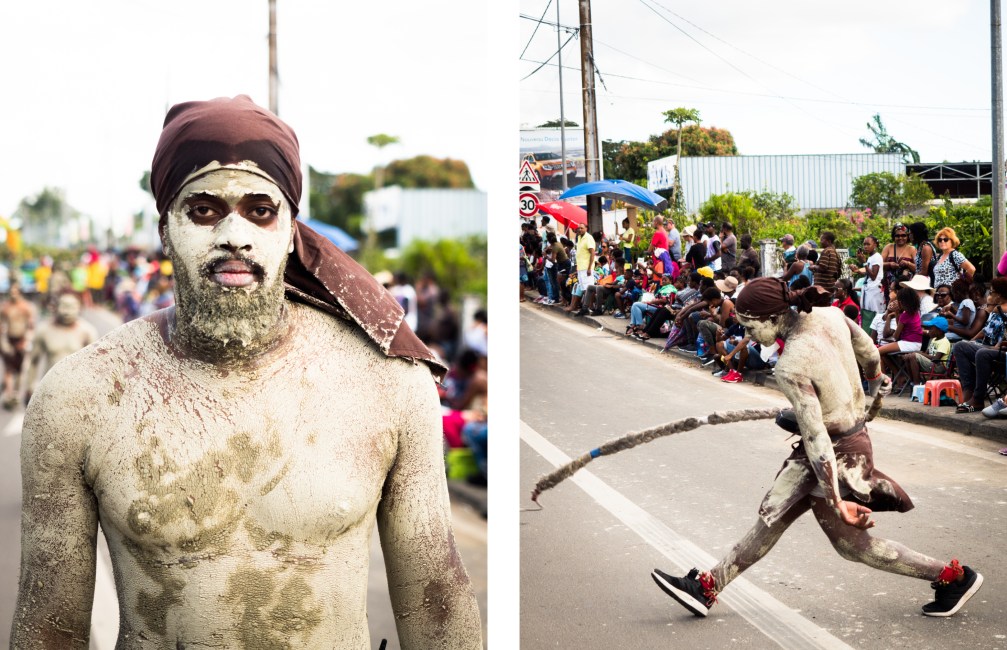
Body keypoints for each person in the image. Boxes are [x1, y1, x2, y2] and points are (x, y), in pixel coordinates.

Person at [11, 95, 481, 648]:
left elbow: (436, 604)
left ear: (289, 230)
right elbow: (49, 629)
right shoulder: (80, 398)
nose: (235, 235)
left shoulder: (387, 385)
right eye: (205, 210)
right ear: (165, 230)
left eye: (260, 210)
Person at [652, 277, 983, 619]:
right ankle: (708, 586)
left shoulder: (791, 363)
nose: (747, 333)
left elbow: (816, 436)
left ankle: (954, 576)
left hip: (835, 453)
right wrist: (870, 386)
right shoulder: (829, 315)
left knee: (850, 545)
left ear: (769, 318)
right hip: (851, 437)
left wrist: (837, 499)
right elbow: (870, 353)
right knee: (779, 520)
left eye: (749, 325)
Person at [22, 293, 97, 406]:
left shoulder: (87, 332)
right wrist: (29, 387)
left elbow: (95, 365)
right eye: (64, 306)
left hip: (76, 391)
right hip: (49, 388)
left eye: (71, 307)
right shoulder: (44, 330)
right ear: (56, 307)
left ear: (79, 308)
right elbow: (33, 361)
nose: (67, 312)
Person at [951, 277, 1007, 414]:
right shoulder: (995, 310)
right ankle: (968, 392)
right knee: (959, 346)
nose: (989, 295)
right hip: (989, 348)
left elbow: (1004, 337)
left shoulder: (1002, 311)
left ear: (999, 296)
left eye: (992, 293)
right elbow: (984, 331)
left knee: (981, 353)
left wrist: (996, 346)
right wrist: (971, 342)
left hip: (1001, 351)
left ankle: (978, 398)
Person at [0, 285, 37, 409]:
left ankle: (16, 393)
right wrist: (3, 342)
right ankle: (10, 394)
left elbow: (31, 326)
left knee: (20, 369)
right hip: (9, 339)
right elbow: (1, 325)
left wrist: (28, 340)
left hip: (21, 339)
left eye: (15, 292)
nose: (13, 295)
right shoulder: (5, 307)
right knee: (9, 369)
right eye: (11, 292)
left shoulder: (26, 307)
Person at [905, 315, 952, 388]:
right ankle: (913, 381)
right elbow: (926, 353)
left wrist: (919, 354)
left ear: (939, 330)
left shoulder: (944, 342)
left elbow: (936, 359)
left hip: (938, 367)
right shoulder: (933, 340)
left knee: (913, 356)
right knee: (908, 356)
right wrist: (920, 353)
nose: (928, 331)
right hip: (931, 364)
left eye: (931, 329)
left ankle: (917, 384)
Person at [854, 235, 884, 335]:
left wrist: (864, 263)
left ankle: (873, 338)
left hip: (874, 292)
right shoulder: (871, 257)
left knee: (873, 316)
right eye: (864, 244)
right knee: (866, 315)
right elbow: (868, 273)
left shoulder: (877, 257)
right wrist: (857, 271)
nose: (865, 246)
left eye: (868, 244)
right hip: (868, 291)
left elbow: (873, 276)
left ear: (875, 245)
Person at [881, 223, 917, 302]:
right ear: (894, 237)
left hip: (905, 287)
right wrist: (889, 264)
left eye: (903, 235)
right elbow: (879, 264)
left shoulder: (912, 249)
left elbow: (917, 269)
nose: (900, 238)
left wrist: (908, 263)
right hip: (889, 286)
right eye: (897, 236)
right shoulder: (888, 247)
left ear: (907, 236)